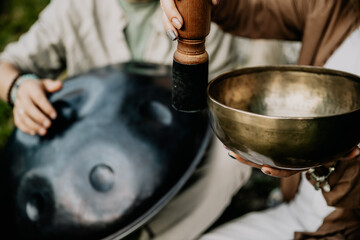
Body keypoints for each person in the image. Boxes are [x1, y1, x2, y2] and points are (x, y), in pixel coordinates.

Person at [0, 0, 252, 240]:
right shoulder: (73, 7)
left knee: (231, 157)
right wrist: (18, 87)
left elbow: (221, 99)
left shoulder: (199, 8)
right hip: (93, 160)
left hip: (184, 154)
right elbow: (5, 65)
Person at [160, 0, 360, 239]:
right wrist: (203, 4)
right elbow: (251, 9)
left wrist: (336, 166)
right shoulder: (338, 8)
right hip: (294, 216)